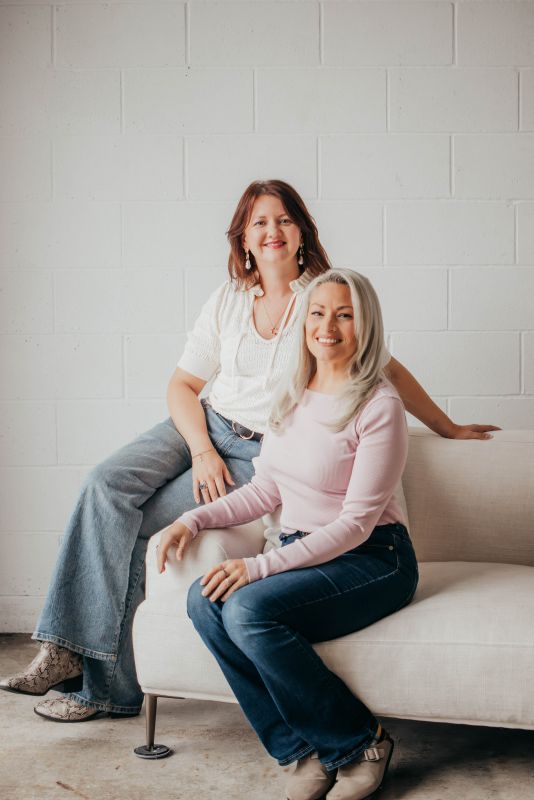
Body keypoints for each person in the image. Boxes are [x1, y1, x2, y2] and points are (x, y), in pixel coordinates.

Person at [0, 180, 498, 723]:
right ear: (243, 237)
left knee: (141, 524)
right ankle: (63, 647)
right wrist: (201, 449)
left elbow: (385, 366)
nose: (272, 231)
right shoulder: (229, 298)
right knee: (103, 485)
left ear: (302, 232)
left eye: (283, 220)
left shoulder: (321, 298)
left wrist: (446, 426)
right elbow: (182, 384)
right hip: (203, 425)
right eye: (259, 222)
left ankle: (109, 689)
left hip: (256, 450)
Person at [158, 269, 417, 800]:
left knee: (247, 610)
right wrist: (193, 519)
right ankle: (300, 748)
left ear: (366, 325)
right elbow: (266, 490)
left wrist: (258, 566)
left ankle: (360, 743)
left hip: (375, 559)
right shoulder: (293, 392)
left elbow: (355, 524)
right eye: (318, 313)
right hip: (306, 549)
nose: (328, 327)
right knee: (204, 600)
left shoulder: (379, 405)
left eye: (344, 315)